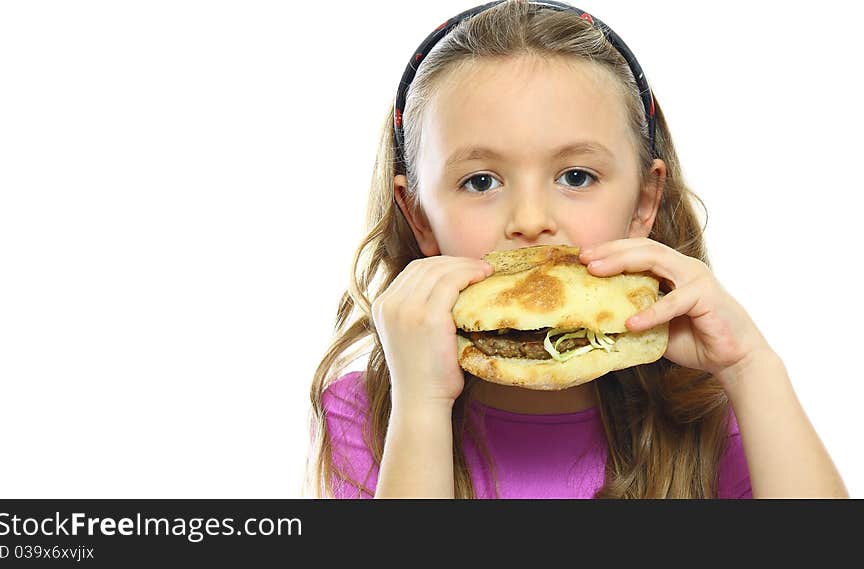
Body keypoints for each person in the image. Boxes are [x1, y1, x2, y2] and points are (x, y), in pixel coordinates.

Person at [305, 0, 847, 498]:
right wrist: (421, 407)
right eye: (480, 182)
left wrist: (751, 366)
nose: (531, 221)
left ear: (643, 203)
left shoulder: (711, 408)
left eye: (577, 175)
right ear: (419, 214)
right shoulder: (366, 413)